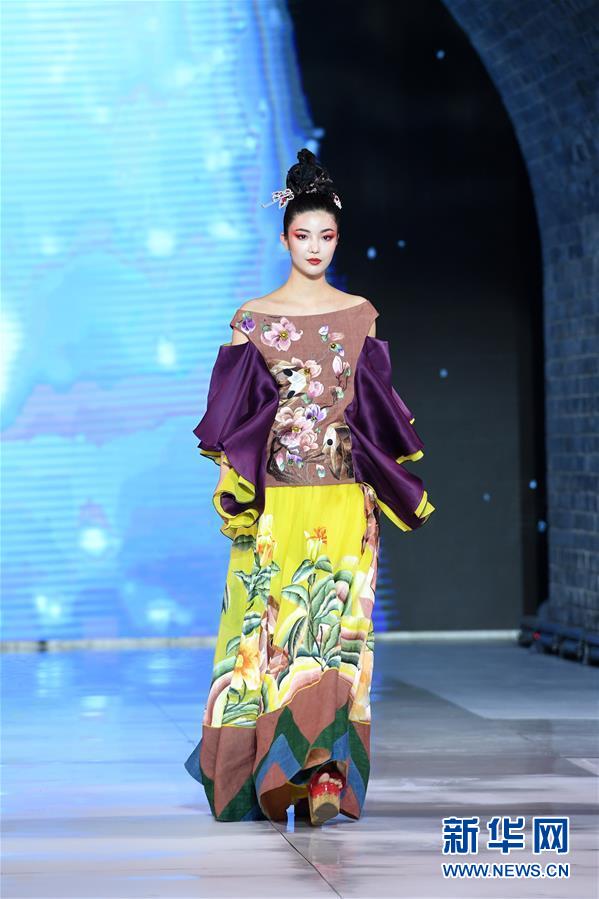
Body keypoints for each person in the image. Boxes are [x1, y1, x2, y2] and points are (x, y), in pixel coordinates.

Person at [184, 148, 435, 825]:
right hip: (275, 504)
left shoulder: (360, 315)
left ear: (337, 238)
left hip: (346, 501)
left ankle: (322, 775)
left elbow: (376, 413)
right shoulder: (252, 319)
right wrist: (238, 498)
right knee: (269, 636)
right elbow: (233, 420)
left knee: (337, 636)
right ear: (283, 239)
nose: (316, 247)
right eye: (303, 235)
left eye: (326, 235)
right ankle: (270, 774)